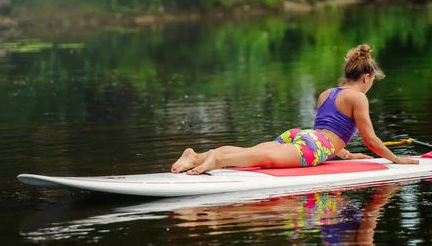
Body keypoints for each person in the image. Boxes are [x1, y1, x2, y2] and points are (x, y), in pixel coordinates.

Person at [171, 44, 418, 175]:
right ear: (366, 77)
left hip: (301, 135)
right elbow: (370, 139)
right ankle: (219, 160)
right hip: (314, 145)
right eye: (373, 80)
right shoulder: (358, 98)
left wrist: (347, 155)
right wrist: (396, 160)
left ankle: (197, 156)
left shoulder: (327, 93)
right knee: (264, 159)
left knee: (256, 151)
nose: (371, 85)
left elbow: (328, 134)